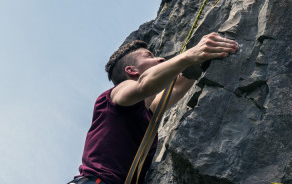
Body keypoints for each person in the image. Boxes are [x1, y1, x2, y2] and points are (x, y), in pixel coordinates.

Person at [68, 32, 239, 184]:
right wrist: (188, 56)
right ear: (131, 70)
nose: (161, 59)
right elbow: (144, 85)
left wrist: (201, 59)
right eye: (149, 56)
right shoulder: (113, 96)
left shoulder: (148, 113)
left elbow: (178, 86)